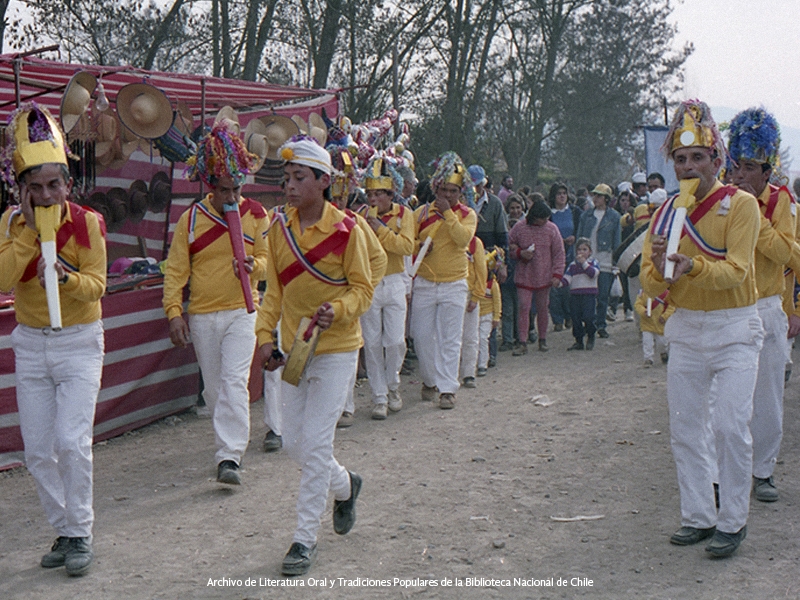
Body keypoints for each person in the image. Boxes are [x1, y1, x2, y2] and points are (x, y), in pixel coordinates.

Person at [640, 99, 763, 558]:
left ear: (716, 159)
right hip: (687, 328)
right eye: (680, 159)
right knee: (686, 428)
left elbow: (736, 271)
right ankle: (698, 514)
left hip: (734, 328)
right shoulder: (667, 210)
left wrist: (692, 266)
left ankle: (733, 520)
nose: (689, 167)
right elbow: (653, 282)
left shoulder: (742, 204)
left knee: (731, 425)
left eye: (697, 157)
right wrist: (656, 269)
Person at [256, 135, 374, 575]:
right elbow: (274, 294)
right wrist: (264, 338)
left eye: (299, 177)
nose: (289, 185)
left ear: (323, 182)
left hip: (338, 348)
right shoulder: (278, 230)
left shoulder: (348, 231)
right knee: (293, 444)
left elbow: (364, 289)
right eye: (286, 177)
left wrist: (338, 310)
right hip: (294, 351)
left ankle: (303, 540)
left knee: (318, 443)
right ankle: (346, 486)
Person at [0, 104, 107, 576]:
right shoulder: (8, 226)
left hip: (80, 341)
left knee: (71, 440)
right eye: (35, 187)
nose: (45, 195)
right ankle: (64, 529)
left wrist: (65, 278)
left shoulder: (87, 224)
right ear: (21, 189)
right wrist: (26, 233)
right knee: (38, 450)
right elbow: (5, 279)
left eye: (53, 185)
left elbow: (98, 286)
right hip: (30, 343)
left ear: (68, 183)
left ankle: (81, 531)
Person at [163, 122, 268, 486]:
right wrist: (174, 311)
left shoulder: (256, 214)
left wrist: (256, 267)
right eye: (225, 190)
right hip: (204, 315)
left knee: (235, 382)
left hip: (243, 309)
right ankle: (226, 443)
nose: (232, 197)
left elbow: (270, 259)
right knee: (213, 389)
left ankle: (230, 456)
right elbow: (176, 270)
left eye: (237, 189)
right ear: (210, 186)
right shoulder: (190, 220)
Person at [728, 107, 795, 503]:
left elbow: (785, 252)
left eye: (750, 167)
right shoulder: (724, 199)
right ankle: (728, 471)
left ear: (767, 170)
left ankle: (764, 470)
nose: (740, 175)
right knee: (729, 399)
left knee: (768, 396)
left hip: (768, 306)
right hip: (730, 307)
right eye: (737, 166)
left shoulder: (781, 201)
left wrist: (756, 215)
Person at [411, 151, 477, 409]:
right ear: (436, 188)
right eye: (444, 190)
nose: (448, 195)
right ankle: (429, 380)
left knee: (451, 338)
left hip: (454, 284)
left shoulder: (467, 214)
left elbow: (463, 240)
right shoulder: (419, 213)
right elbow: (409, 243)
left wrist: (448, 214)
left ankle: (448, 389)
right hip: (425, 283)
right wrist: (419, 247)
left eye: (454, 190)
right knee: (421, 337)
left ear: (461, 192)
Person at [360, 155, 414, 420]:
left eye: (378, 194)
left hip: (393, 279)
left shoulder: (404, 214)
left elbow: (406, 247)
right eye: (369, 194)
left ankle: (393, 384)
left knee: (394, 341)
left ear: (390, 194)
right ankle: (378, 396)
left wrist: (380, 229)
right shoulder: (360, 216)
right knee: (371, 342)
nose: (373, 199)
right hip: (369, 282)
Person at [508, 197, 565, 354]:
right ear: (534, 217)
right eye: (542, 219)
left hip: (544, 275)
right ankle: (522, 342)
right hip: (524, 274)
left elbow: (559, 253)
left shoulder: (552, 229)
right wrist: (520, 253)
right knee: (524, 307)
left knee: (542, 307)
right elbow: (508, 246)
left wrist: (557, 274)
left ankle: (543, 339)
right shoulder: (519, 228)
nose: (545, 221)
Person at [576, 184, 620, 339]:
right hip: (588, 257)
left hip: (605, 258)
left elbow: (616, 241)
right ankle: (588, 324)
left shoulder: (614, 217)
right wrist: (579, 254)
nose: (596, 198)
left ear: (606, 199)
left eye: (599, 196)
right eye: (595, 195)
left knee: (602, 295)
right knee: (586, 294)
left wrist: (616, 261)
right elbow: (580, 236)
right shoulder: (586, 216)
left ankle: (600, 325)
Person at [547, 183, 580, 332]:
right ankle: (557, 319)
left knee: (568, 288)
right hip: (552, 256)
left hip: (572, 254)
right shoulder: (548, 214)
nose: (562, 196)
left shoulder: (574, 212)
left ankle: (569, 316)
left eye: (564, 193)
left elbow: (581, 230)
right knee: (554, 290)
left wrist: (575, 238)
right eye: (559, 193)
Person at [459, 235, 488, 388]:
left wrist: (476, 296)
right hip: (451, 292)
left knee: (470, 336)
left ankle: (469, 373)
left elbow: (481, 270)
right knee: (446, 337)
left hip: (469, 294)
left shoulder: (475, 243)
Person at [561, 238, 599, 350]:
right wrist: (558, 283)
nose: (581, 252)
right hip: (575, 295)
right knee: (575, 318)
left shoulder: (594, 263)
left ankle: (591, 336)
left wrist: (584, 264)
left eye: (584, 249)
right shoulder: (572, 265)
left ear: (590, 251)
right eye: (579, 249)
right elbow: (567, 279)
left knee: (589, 317)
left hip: (589, 295)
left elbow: (593, 274)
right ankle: (578, 340)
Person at [500, 195, 525, 351]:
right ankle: (507, 338)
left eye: (518, 207)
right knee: (507, 309)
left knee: (520, 307)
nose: (515, 211)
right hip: (507, 273)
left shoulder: (527, 226)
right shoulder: (503, 224)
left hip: (521, 273)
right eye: (512, 208)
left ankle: (520, 336)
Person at [478, 247, 503, 375]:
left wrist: (496, 317)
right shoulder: (474, 282)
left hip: (487, 315)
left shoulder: (492, 284)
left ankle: (483, 364)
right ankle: (475, 362)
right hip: (474, 314)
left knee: (483, 338)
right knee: (473, 340)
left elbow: (497, 301)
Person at [634, 290, 674, 366]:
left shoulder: (667, 294)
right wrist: (643, 311)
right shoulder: (643, 293)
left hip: (660, 324)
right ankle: (648, 359)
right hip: (647, 323)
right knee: (647, 342)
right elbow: (638, 304)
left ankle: (663, 352)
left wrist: (664, 316)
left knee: (662, 343)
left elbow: (671, 307)